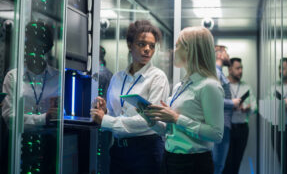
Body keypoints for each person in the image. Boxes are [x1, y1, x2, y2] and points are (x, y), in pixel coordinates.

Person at [91, 20, 170, 174]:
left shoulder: (157, 77)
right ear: (130, 45)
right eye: (141, 44)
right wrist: (104, 111)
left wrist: (106, 120)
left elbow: (149, 121)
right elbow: (115, 113)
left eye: (152, 46)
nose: (147, 49)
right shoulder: (117, 77)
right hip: (118, 150)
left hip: (146, 151)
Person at [143, 26, 224, 174]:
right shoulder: (181, 86)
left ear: (190, 50)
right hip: (170, 159)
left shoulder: (209, 86)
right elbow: (171, 131)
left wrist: (176, 118)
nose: (174, 51)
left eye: (177, 46)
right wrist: (152, 121)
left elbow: (216, 134)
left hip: (193, 164)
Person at [2, 20, 59, 173]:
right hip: (19, 147)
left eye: (38, 44)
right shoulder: (13, 77)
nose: (32, 49)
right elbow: (10, 119)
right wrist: (43, 118)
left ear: (47, 47)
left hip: (49, 149)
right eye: (29, 43)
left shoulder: (58, 78)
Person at [223, 58, 257, 174]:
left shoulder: (246, 87)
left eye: (241, 68)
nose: (241, 71)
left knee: (237, 162)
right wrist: (230, 105)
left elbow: (254, 107)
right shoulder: (223, 85)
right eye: (238, 68)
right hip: (227, 128)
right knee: (225, 162)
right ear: (230, 69)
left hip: (242, 128)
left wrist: (247, 108)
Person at [212, 45, 240, 174]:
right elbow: (214, 100)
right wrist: (232, 103)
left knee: (219, 164)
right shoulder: (216, 73)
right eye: (226, 53)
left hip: (223, 123)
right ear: (219, 55)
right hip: (220, 124)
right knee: (217, 164)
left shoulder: (218, 72)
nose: (228, 56)